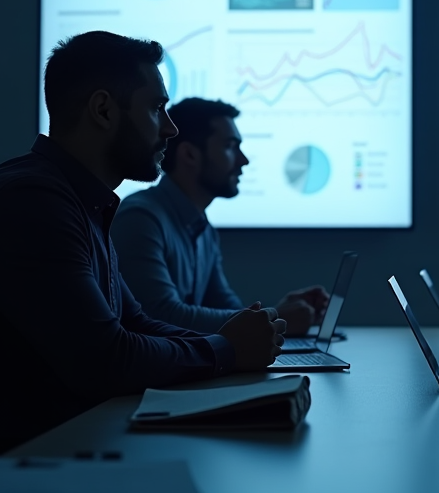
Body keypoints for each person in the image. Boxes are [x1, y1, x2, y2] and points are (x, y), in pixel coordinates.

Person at [0, 32, 286, 487]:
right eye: (157, 108)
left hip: (45, 456)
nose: (170, 129)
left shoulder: (81, 201)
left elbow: (136, 323)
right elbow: (107, 359)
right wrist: (226, 350)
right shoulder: (31, 200)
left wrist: (236, 340)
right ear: (103, 110)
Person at [110, 98, 329, 336]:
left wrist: (275, 313)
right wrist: (276, 316)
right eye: (230, 146)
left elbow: (228, 309)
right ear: (190, 154)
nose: (243, 160)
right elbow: (161, 316)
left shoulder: (203, 229)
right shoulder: (141, 219)